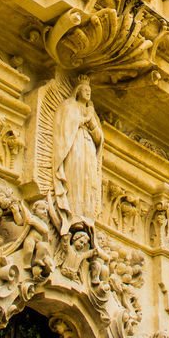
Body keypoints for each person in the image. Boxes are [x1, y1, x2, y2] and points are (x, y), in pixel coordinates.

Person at [53, 76, 103, 227]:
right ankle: (73, 211)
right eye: (85, 90)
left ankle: (86, 214)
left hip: (89, 147)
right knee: (76, 174)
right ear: (78, 91)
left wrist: (92, 123)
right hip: (75, 146)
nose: (88, 93)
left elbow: (99, 137)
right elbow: (65, 127)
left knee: (89, 180)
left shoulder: (91, 112)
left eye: (90, 90)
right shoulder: (70, 106)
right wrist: (83, 119)